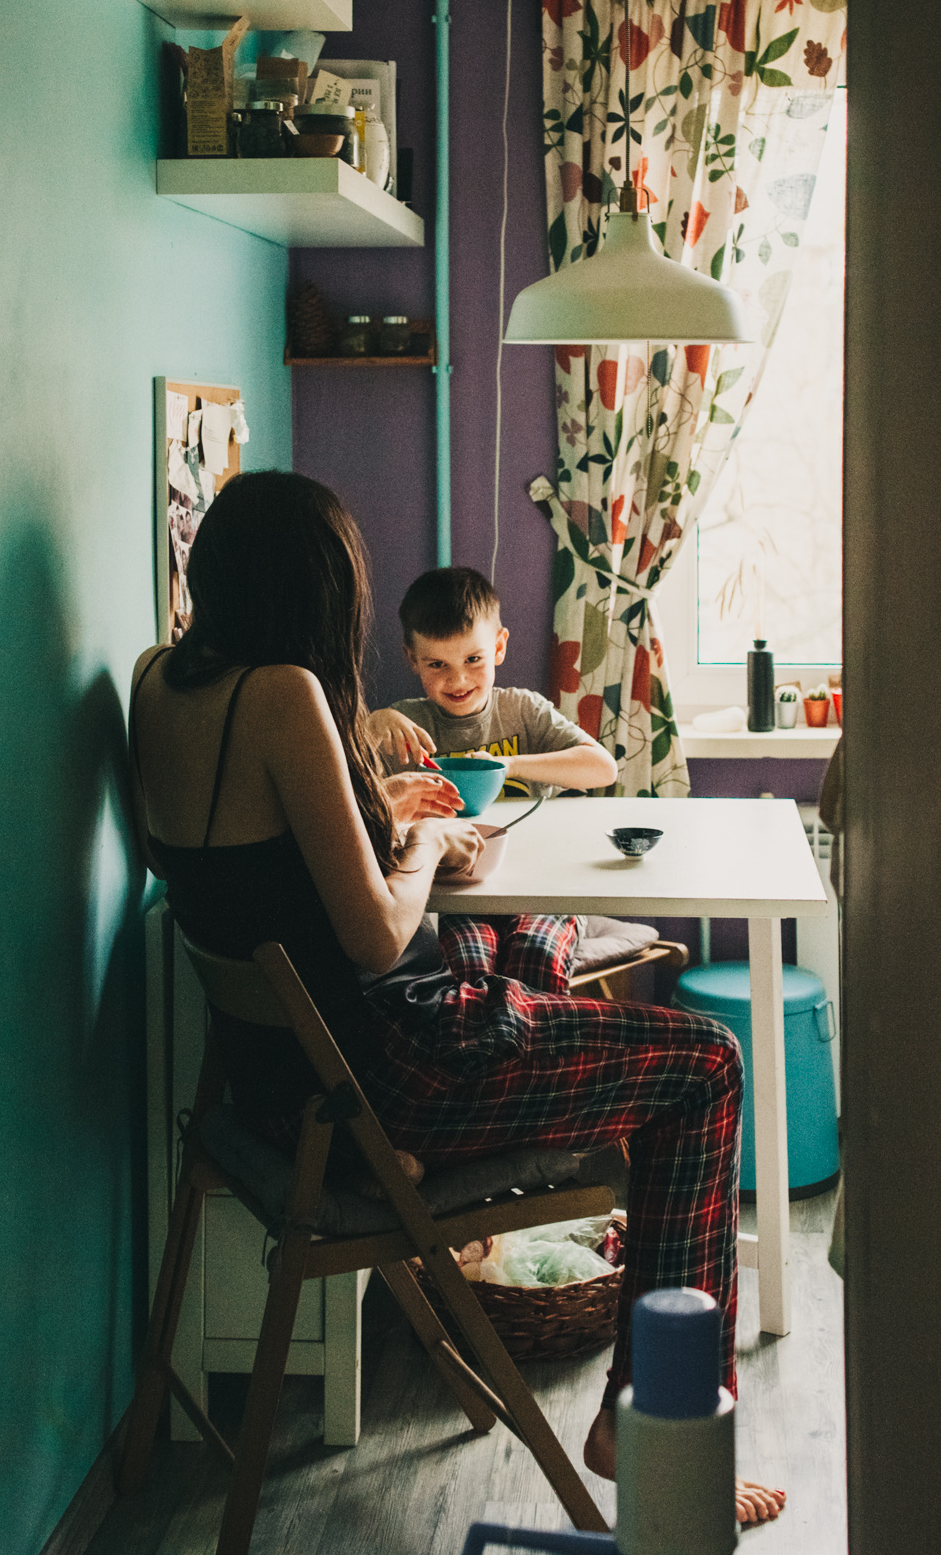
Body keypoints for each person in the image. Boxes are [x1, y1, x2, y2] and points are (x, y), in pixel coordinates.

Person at [128, 472, 785, 1527]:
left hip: (269, 1093)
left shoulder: (160, 681)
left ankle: (548, 982)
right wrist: (427, 840)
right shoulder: (286, 693)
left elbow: (246, 857)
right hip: (394, 1081)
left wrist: (368, 805)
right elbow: (379, 933)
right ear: (313, 589)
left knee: (522, 944)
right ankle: (647, 1414)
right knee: (707, 1060)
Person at [364, 566, 618, 798]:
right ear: (413, 659)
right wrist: (370, 729)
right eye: (437, 664)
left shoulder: (525, 710)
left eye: (473, 659)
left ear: (498, 647)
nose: (458, 680)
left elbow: (604, 769)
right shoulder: (399, 726)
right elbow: (344, 795)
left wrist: (509, 765)